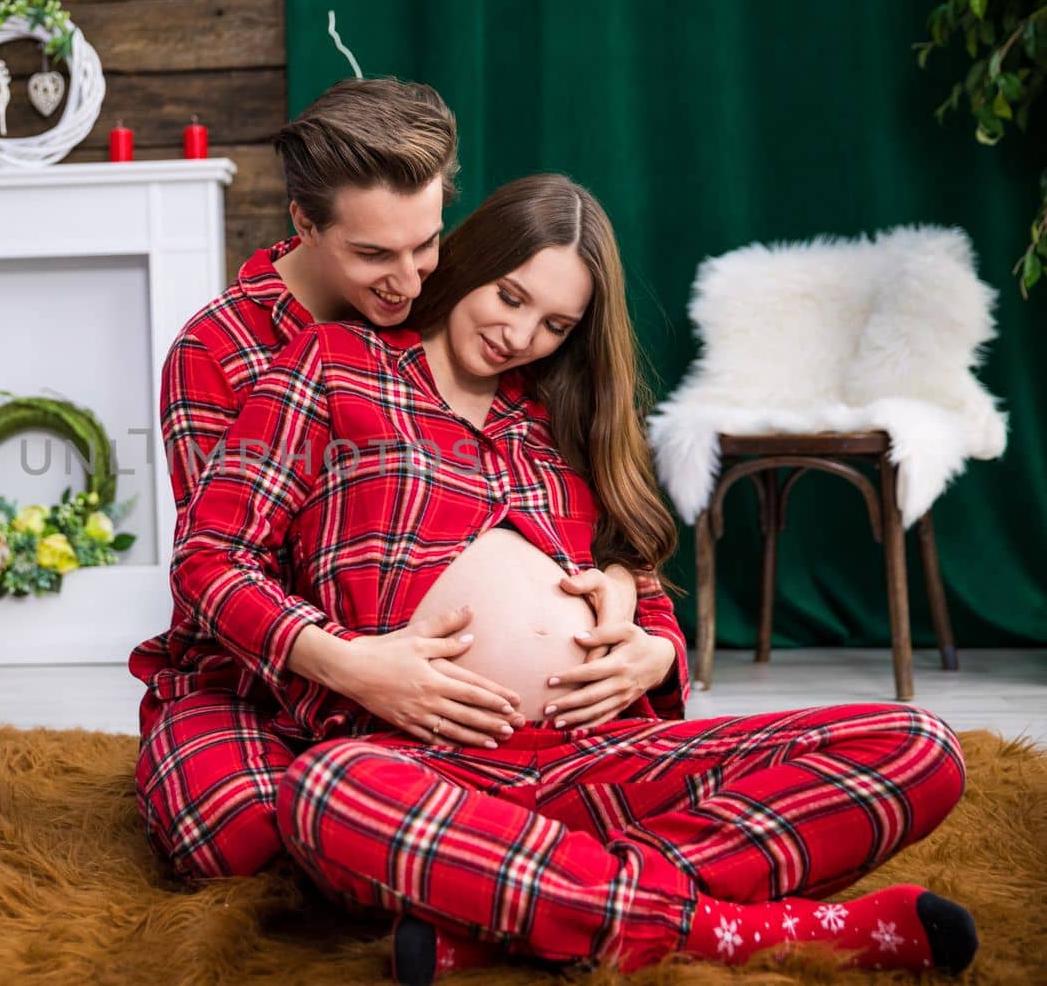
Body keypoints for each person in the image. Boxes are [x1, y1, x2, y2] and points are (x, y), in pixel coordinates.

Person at [169, 174, 974, 981]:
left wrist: (655, 655)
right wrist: (352, 661)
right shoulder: (333, 365)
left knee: (918, 747)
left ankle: (508, 913)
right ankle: (741, 928)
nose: (520, 336)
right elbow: (214, 558)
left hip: (597, 759)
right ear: (469, 260)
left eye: (556, 323)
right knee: (327, 793)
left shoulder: (559, 419)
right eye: (509, 297)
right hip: (419, 764)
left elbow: (645, 595)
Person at [130, 81, 644, 883]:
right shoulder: (219, 350)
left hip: (426, 672)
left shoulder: (457, 312)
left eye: (427, 244)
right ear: (305, 222)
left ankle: (452, 839)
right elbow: (221, 566)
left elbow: (538, 498)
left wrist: (611, 581)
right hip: (265, 670)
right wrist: (361, 668)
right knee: (237, 830)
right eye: (374, 254)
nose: (407, 281)